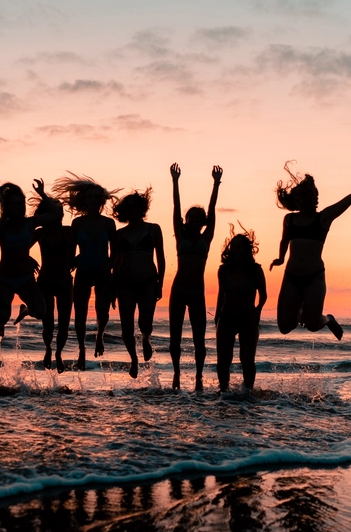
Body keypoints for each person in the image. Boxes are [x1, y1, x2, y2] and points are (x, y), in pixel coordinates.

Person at [269, 160, 351, 339]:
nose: (315, 199)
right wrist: (280, 258)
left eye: (315, 196)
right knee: (284, 327)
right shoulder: (289, 220)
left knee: (313, 325)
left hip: (314, 277)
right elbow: (284, 240)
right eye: (309, 196)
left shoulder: (324, 218)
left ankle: (328, 319)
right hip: (291, 277)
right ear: (298, 200)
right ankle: (301, 312)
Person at [53, 174, 117, 370]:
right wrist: (68, 267)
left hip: (103, 272)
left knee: (102, 311)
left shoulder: (108, 223)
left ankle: (99, 337)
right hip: (83, 271)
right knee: (79, 313)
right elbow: (71, 251)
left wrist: (110, 265)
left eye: (97, 197)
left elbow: (115, 251)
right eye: (90, 197)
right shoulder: (77, 223)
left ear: (102, 200)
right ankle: (81, 349)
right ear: (84, 200)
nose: (93, 200)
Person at [168, 163, 222, 391]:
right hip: (178, 290)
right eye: (191, 217)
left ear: (203, 222)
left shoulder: (206, 237)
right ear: (186, 219)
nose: (194, 220)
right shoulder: (180, 235)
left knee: (199, 339)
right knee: (175, 337)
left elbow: (212, 208)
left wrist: (216, 184)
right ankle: (177, 375)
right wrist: (175, 181)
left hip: (197, 292)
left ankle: (199, 377)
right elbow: (176, 206)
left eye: (198, 218)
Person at [0, 179, 62, 337]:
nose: (16, 207)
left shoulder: (30, 223)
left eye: (19, 203)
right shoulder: (1, 225)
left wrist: (42, 193)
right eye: (12, 204)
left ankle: (25, 309)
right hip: (5, 278)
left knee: (40, 312)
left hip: (25, 278)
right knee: (1, 317)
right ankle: (0, 321)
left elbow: (56, 213)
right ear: (6, 206)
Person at [112, 190, 165, 379]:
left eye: (136, 207)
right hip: (124, 282)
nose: (133, 211)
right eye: (129, 208)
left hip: (148, 281)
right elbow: (115, 262)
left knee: (145, 323)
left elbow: (161, 258)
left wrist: (160, 283)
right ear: (124, 211)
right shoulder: (119, 235)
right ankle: (133, 359)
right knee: (126, 327)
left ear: (142, 209)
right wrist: (112, 289)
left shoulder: (153, 229)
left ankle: (146, 339)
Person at [216, 224, 266, 392]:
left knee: (247, 360)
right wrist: (217, 317)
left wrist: (257, 312)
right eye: (234, 246)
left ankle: (248, 393)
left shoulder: (256, 270)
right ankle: (224, 392)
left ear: (246, 249)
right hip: (226, 318)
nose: (236, 249)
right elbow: (220, 295)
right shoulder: (223, 270)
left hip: (248, 319)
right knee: (223, 360)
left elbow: (264, 295)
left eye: (240, 247)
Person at [30, 186, 76, 372]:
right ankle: (49, 349)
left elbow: (86, 247)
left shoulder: (69, 231)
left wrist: (77, 259)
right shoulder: (40, 232)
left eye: (60, 211)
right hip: (45, 282)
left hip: (65, 282)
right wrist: (28, 257)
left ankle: (58, 353)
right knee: (47, 324)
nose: (59, 214)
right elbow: (18, 247)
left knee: (64, 325)